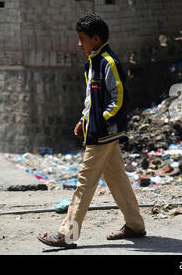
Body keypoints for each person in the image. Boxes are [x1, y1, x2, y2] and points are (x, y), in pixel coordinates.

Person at [38, 14, 146, 248]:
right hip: (98, 130)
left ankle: (67, 233)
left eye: (82, 39)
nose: (79, 44)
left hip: (102, 134)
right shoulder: (92, 63)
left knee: (84, 183)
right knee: (117, 179)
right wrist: (83, 119)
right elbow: (91, 100)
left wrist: (99, 121)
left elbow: (119, 99)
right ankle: (135, 225)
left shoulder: (108, 62)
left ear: (95, 39)